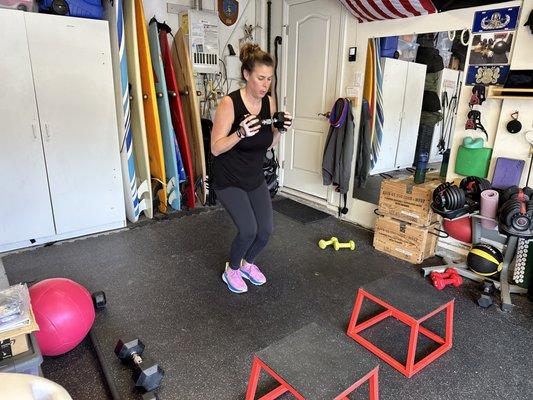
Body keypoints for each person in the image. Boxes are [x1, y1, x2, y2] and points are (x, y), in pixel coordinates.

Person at [210, 43, 292, 294]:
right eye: (260, 78)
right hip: (228, 178)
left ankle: (248, 264)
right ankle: (232, 269)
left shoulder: (270, 101)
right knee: (248, 230)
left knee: (265, 231)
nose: (265, 84)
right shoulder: (229, 103)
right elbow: (215, 148)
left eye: (269, 78)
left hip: (253, 176)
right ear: (247, 75)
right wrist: (239, 133)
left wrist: (281, 129)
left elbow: (270, 143)